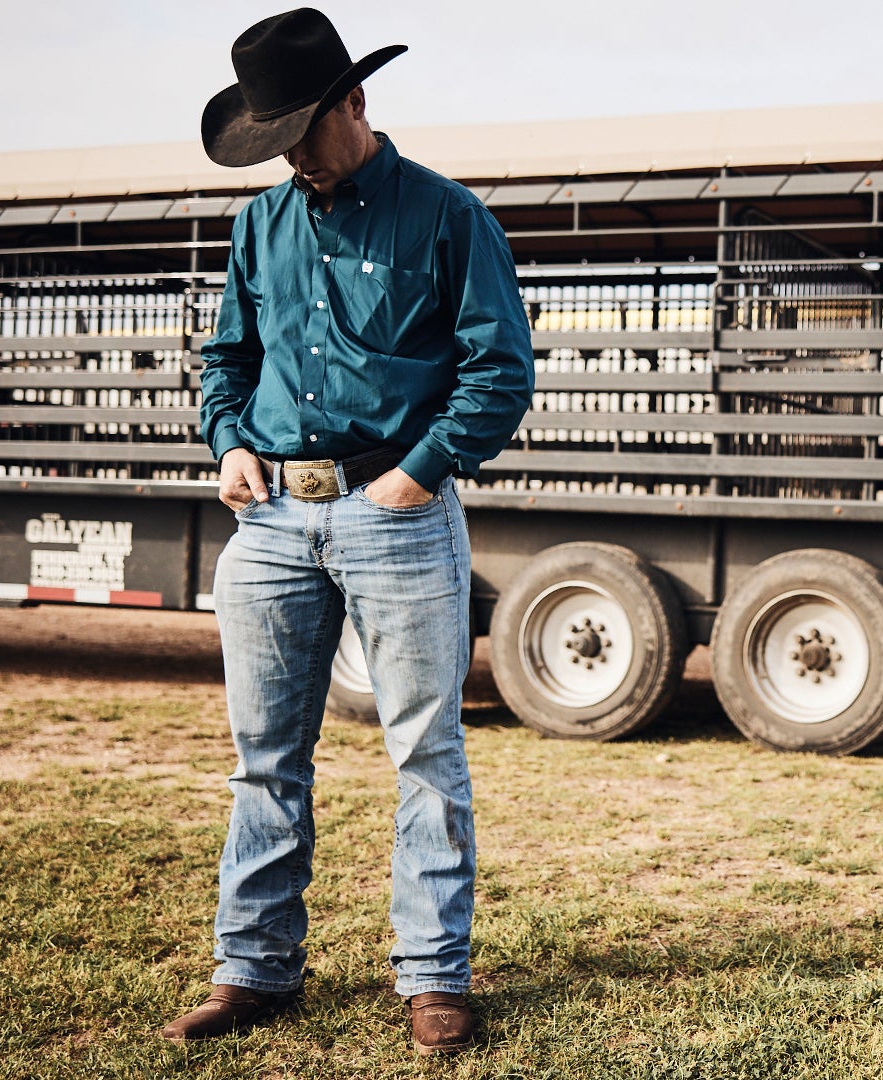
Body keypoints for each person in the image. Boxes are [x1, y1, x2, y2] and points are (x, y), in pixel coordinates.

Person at [159, 8, 533, 1056]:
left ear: (355, 103)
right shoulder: (258, 227)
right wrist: (228, 442)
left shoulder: (449, 216)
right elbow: (226, 361)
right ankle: (254, 971)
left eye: (300, 134)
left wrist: (416, 476)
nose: (290, 159)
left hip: (396, 513)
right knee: (264, 757)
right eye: (271, 142)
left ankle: (433, 977)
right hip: (270, 520)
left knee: (425, 752)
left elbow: (499, 367)